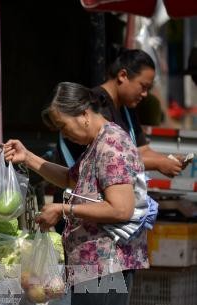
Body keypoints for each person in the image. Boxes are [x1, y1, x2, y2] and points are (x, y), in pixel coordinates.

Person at [4, 82, 149, 305]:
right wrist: (28, 157)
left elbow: (121, 209)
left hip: (106, 264)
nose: (64, 134)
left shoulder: (112, 145)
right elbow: (73, 180)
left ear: (83, 113)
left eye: (63, 126)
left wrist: (63, 209)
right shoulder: (97, 143)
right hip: (92, 264)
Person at [53, 48, 188, 233]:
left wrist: (168, 160)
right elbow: (112, 158)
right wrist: (158, 163)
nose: (145, 94)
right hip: (86, 217)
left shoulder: (126, 107)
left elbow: (142, 150)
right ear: (123, 75)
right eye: (143, 86)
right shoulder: (96, 107)